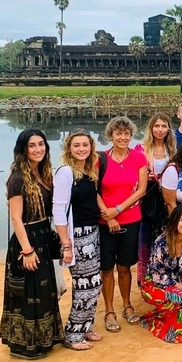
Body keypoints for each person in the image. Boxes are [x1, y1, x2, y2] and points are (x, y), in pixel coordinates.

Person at [0, 128, 65, 360]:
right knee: (29, 292)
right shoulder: (18, 178)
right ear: (23, 149)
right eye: (32, 145)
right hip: (26, 239)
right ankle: (26, 346)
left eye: (41, 144)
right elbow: (16, 217)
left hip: (43, 235)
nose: (37, 149)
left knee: (45, 290)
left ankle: (47, 337)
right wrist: (27, 251)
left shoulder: (42, 173)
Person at [53, 129, 104, 350]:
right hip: (77, 236)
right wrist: (66, 244)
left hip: (92, 233)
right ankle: (73, 334)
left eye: (85, 145)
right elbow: (58, 209)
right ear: (69, 149)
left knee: (95, 283)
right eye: (77, 145)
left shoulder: (88, 171)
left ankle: (85, 326)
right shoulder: (65, 172)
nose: (82, 149)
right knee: (85, 286)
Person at [98, 116, 148, 330]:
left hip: (130, 218)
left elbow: (141, 190)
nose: (123, 137)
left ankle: (127, 305)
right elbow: (94, 190)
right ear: (111, 135)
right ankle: (109, 310)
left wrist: (117, 210)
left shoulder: (138, 158)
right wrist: (107, 215)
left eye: (126, 133)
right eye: (118, 133)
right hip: (104, 221)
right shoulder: (99, 159)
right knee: (107, 268)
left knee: (125, 266)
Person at [139, 205, 182, 343]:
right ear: (175, 221)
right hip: (155, 284)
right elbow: (157, 275)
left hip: (178, 281)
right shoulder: (162, 242)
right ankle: (171, 332)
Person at [137, 112, 176, 284]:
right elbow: (135, 174)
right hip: (149, 198)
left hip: (167, 198)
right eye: (156, 126)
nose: (160, 130)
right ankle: (144, 277)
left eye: (163, 126)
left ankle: (163, 272)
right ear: (151, 128)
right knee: (145, 237)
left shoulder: (173, 150)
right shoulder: (141, 148)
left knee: (164, 236)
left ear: (168, 129)